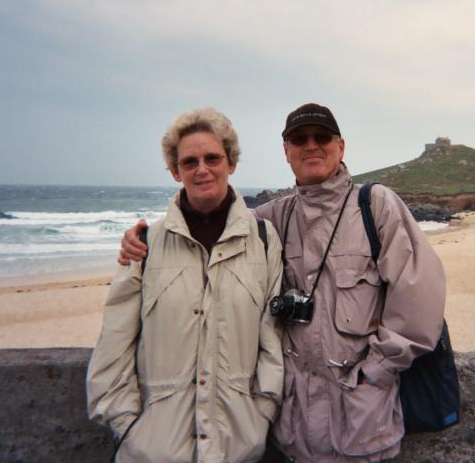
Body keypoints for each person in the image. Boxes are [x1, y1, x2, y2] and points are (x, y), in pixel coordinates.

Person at [119, 103, 447, 462]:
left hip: (364, 426)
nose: (311, 145)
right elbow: (211, 220)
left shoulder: (376, 206)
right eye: (298, 139)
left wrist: (375, 373)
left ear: (341, 146)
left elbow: (419, 301)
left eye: (322, 137)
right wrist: (146, 235)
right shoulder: (272, 219)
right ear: (286, 152)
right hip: (293, 432)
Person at [88, 107, 284, 463]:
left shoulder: (264, 239)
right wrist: (129, 426)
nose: (202, 169)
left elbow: (272, 339)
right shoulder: (146, 243)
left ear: (231, 163)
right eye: (189, 161)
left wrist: (260, 416)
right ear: (176, 170)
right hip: (151, 451)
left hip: (238, 449)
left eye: (212, 158)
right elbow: (114, 342)